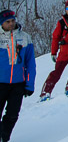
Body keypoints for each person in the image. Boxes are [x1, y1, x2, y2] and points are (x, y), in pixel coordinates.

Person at [0, 10, 35, 142]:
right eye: (7, 22)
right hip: (0, 83)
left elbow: (30, 63)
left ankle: (4, 137)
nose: (11, 24)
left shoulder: (25, 37)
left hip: (18, 84)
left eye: (13, 21)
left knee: (13, 115)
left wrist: (29, 84)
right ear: (2, 23)